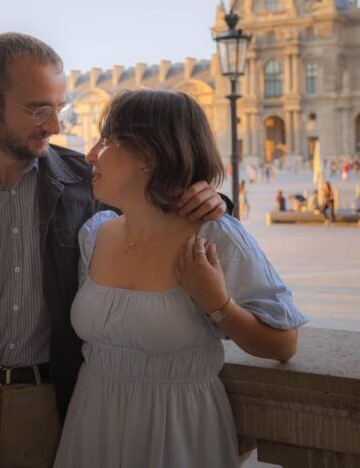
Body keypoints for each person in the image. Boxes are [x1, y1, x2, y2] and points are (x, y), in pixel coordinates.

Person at [0, 33, 228, 468]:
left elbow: (160, 205)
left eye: (58, 107)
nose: (55, 125)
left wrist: (212, 200)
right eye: (38, 109)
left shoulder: (88, 183)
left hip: (59, 408)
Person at [52, 90, 306, 467]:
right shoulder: (94, 233)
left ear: (148, 155)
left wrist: (218, 304)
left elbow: (283, 345)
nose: (90, 153)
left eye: (106, 141)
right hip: (93, 419)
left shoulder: (215, 236)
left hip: (179, 429)